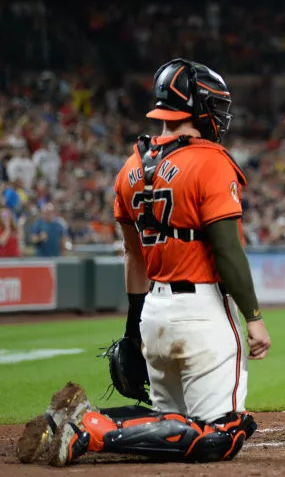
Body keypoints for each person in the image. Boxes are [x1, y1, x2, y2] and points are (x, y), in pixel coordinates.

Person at [17, 58, 271, 467]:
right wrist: (254, 316)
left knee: (166, 424)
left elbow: (133, 256)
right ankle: (89, 428)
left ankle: (69, 423)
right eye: (214, 105)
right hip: (201, 312)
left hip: (153, 312)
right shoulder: (211, 159)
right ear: (197, 107)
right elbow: (227, 250)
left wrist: (134, 328)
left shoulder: (130, 167)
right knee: (220, 434)